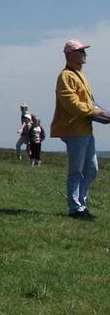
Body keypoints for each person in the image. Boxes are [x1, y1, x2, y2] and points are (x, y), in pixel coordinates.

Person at [50, 39, 106, 220]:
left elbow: (87, 102)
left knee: (92, 169)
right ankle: (75, 208)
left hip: (84, 129)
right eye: (80, 51)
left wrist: (101, 113)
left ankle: (81, 205)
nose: (84, 54)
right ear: (68, 55)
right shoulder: (65, 76)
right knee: (76, 170)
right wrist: (96, 112)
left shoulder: (79, 75)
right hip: (73, 129)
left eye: (84, 51)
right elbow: (71, 103)